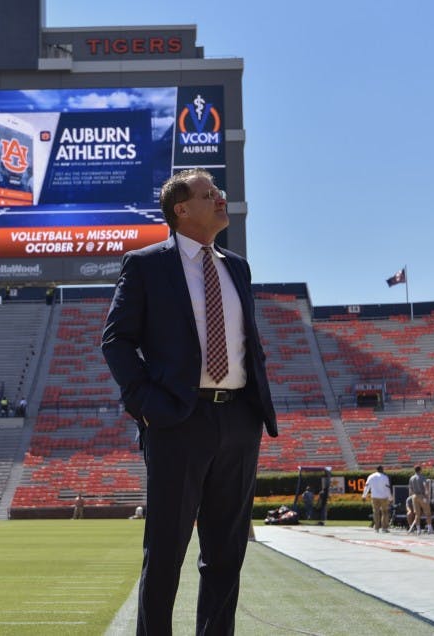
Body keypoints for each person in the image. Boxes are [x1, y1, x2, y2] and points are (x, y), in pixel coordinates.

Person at [101, 168, 278, 634]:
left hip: (239, 419)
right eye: (209, 194)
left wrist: (253, 407)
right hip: (178, 420)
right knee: (165, 555)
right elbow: (116, 341)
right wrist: (144, 403)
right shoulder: (146, 264)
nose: (221, 198)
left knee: (225, 556)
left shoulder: (236, 266)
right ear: (182, 209)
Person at [361, 465, 392, 533]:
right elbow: (387, 488)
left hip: (374, 497)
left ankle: (376, 528)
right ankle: (384, 528)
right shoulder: (385, 477)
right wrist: (390, 498)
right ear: (381, 469)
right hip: (384, 497)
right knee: (385, 512)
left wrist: (364, 496)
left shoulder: (371, 476)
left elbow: (367, 486)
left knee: (376, 512)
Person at [407, 465, 432, 534]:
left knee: (417, 514)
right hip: (422, 496)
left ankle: (418, 530)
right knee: (428, 513)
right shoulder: (422, 477)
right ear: (420, 470)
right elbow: (425, 485)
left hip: (414, 496)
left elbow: (410, 490)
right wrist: (427, 495)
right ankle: (429, 529)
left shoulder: (411, 478)